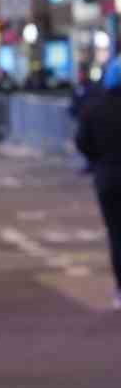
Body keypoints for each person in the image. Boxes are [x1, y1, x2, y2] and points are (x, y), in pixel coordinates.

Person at [74, 61, 121, 311]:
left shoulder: (95, 108)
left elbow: (82, 141)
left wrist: (97, 160)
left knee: (116, 234)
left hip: (108, 177)